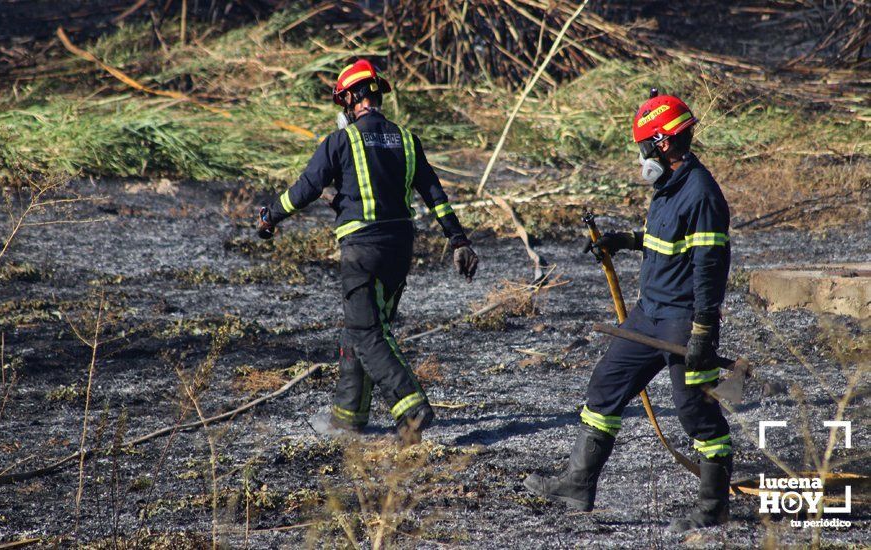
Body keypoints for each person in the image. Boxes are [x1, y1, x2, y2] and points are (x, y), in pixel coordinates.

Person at [524, 91, 733, 533]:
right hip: (647, 314)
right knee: (605, 387)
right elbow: (664, 240)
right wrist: (624, 240)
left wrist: (701, 333)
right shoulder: (668, 187)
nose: (641, 155)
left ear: (662, 142)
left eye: (644, 145)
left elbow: (709, 270)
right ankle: (578, 485)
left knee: (695, 412)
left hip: (682, 321)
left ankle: (713, 506)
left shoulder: (701, 194)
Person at [257, 59, 478, 444]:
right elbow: (435, 196)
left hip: (362, 250)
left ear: (353, 99)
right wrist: (457, 239)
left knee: (367, 330)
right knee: (360, 330)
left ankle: (411, 409)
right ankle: (348, 417)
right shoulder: (407, 140)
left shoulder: (341, 141)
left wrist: (269, 218)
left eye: (344, 101)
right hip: (400, 250)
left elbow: (305, 188)